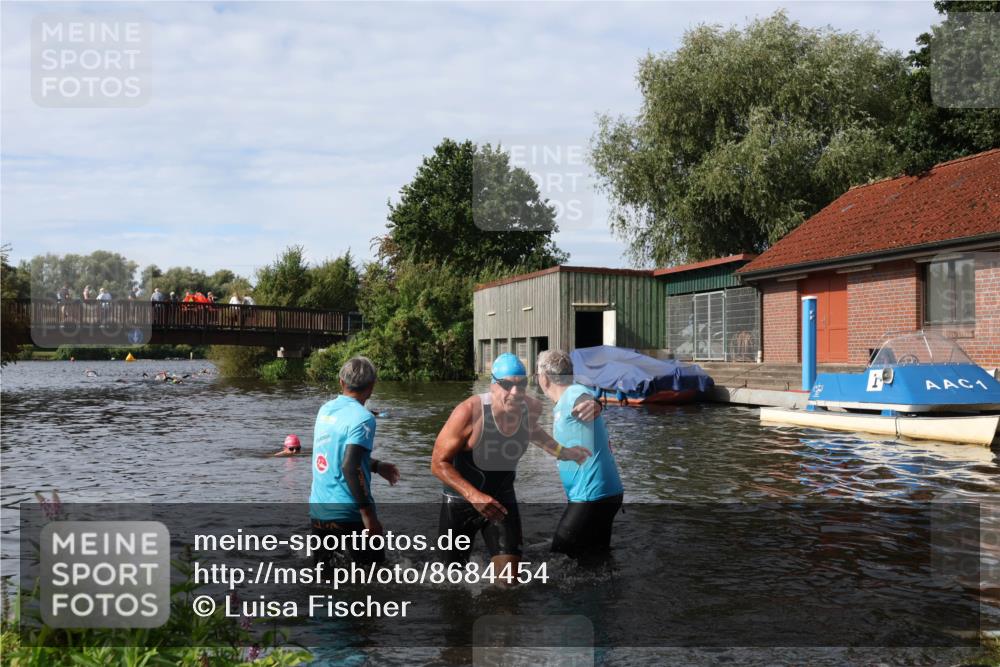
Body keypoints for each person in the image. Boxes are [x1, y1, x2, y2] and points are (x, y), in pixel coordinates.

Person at [431, 353, 596, 580]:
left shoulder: (529, 407)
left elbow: (534, 432)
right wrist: (474, 496)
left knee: (509, 583)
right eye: (507, 385)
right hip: (460, 503)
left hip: (502, 501)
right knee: (449, 581)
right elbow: (438, 464)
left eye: (522, 385)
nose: (516, 393)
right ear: (493, 384)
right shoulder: (469, 412)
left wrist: (563, 452)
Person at [309, 357, 400, 565]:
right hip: (349, 513)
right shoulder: (363, 418)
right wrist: (368, 516)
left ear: (341, 382)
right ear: (372, 387)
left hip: (319, 512)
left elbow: (337, 455)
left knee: (324, 578)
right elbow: (350, 466)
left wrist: (376, 466)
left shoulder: (325, 410)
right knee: (375, 578)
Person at [536, 350, 624, 562]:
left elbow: (584, 398)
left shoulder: (573, 394)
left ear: (543, 378)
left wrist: (594, 403)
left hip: (590, 496)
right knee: (595, 560)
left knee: (559, 559)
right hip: (606, 493)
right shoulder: (566, 399)